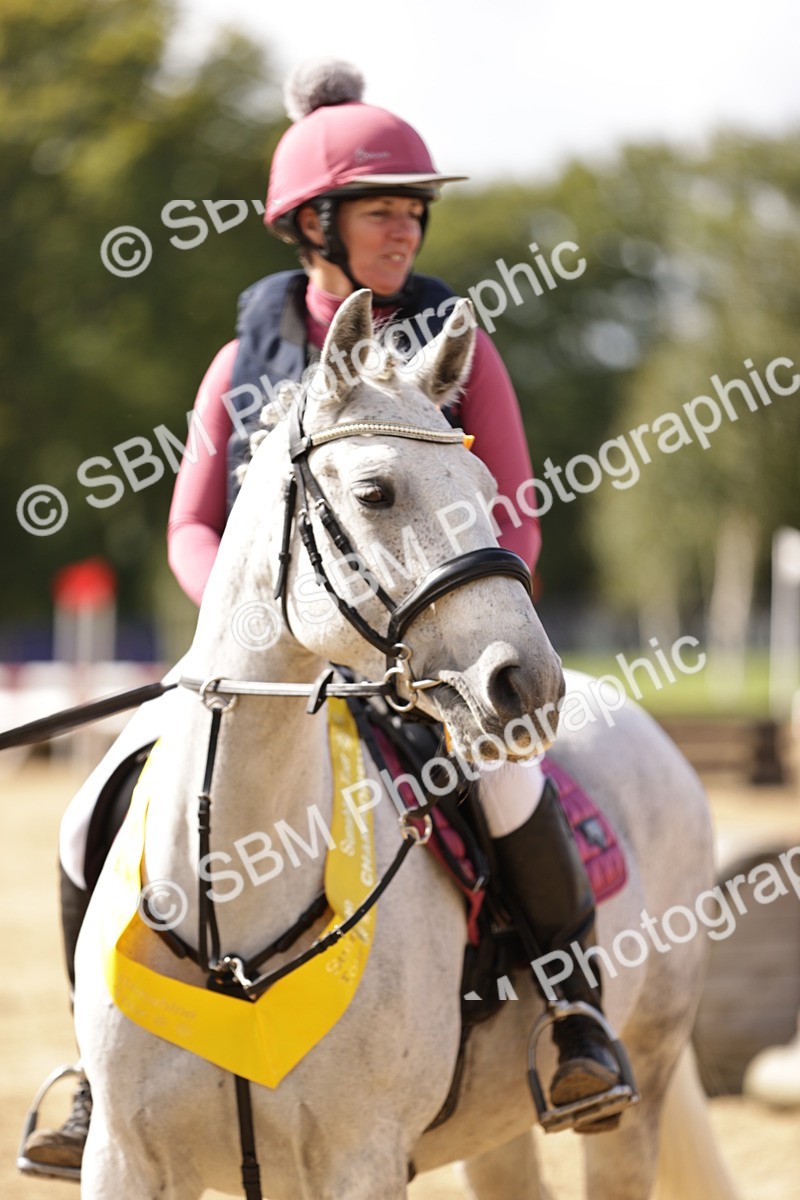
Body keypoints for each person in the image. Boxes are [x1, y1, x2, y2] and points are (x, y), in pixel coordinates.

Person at [22, 59, 624, 1176]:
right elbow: (190, 531)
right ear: (312, 223)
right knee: (91, 810)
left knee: (505, 782)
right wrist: (266, 629)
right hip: (260, 660)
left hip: (416, 658)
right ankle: (93, 1069)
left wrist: (435, 632)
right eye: (380, 209)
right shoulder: (235, 366)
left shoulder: (456, 347)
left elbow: (515, 519)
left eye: (413, 210)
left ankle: (571, 1016)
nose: (404, 229)